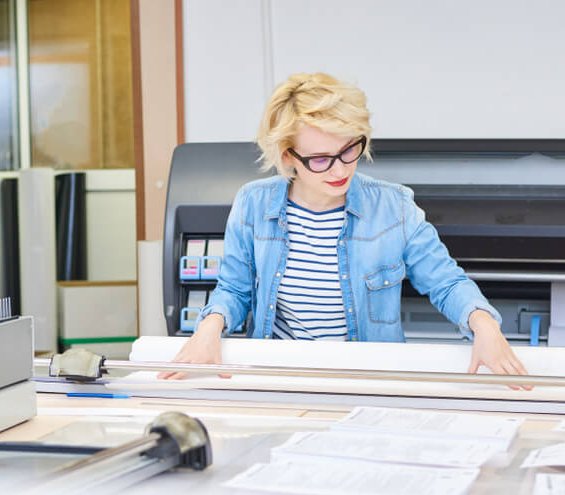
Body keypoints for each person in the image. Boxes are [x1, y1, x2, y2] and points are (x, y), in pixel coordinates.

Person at [159, 72, 529, 386]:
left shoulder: (394, 207)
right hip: (279, 378)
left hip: (367, 381)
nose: (340, 170)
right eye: (320, 159)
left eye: (349, 150)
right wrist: (209, 328)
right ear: (288, 157)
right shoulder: (253, 204)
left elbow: (446, 282)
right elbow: (234, 290)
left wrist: (484, 326)